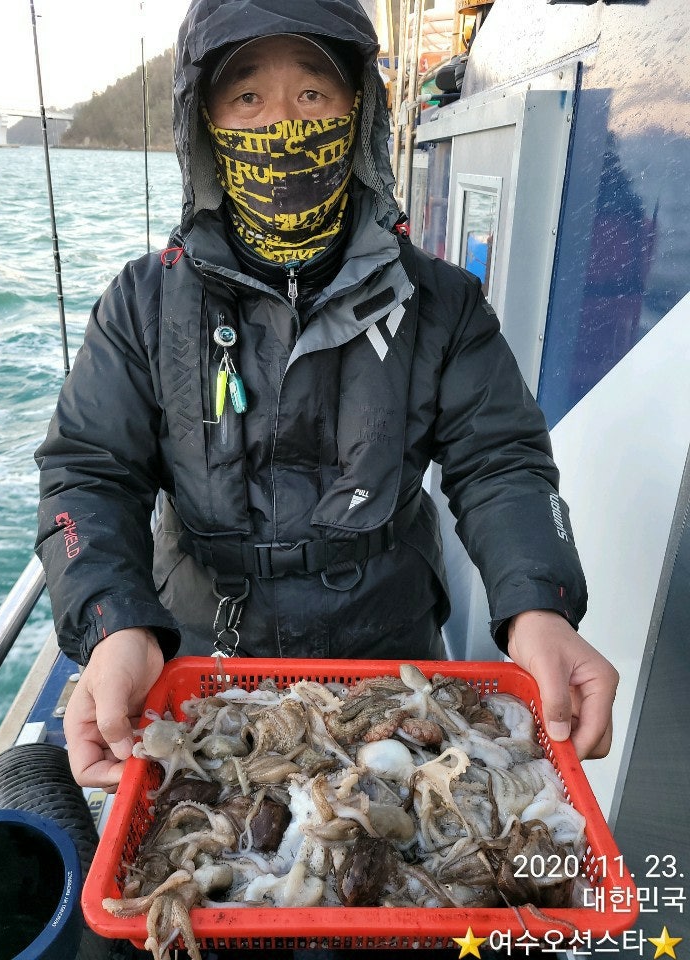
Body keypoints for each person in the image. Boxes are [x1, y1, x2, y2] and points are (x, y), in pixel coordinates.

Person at [35, 0, 618, 794]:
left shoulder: (443, 302)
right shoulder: (142, 302)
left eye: (312, 94)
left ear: (358, 112)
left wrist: (538, 604)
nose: (282, 124)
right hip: (203, 658)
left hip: (390, 659)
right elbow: (89, 471)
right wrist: (114, 623)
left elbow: (501, 463)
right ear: (204, 123)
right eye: (247, 97)